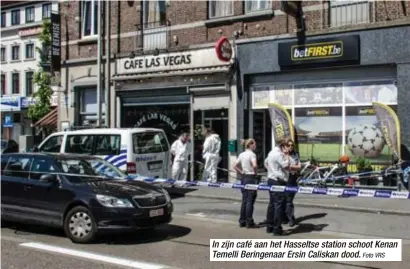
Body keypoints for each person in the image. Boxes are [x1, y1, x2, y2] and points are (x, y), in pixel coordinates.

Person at [264, 138, 295, 236]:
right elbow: (286, 166)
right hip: (278, 181)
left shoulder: (271, 152)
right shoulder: (279, 154)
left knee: (272, 204)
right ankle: (277, 228)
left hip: (271, 179)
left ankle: (269, 226)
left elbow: (266, 163)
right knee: (279, 205)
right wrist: (287, 156)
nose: (288, 148)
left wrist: (272, 170)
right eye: (286, 146)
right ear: (283, 146)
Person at [233, 138, 259, 228]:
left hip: (244, 178)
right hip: (251, 177)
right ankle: (249, 221)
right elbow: (254, 165)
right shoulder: (252, 155)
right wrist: (255, 172)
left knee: (244, 200)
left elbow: (234, 166)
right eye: (254, 144)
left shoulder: (242, 154)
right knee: (250, 201)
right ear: (250, 145)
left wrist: (241, 172)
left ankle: (242, 220)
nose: (255, 145)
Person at [282, 139, 301, 227]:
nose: (290, 147)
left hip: (293, 178)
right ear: (285, 146)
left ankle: (288, 217)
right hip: (284, 178)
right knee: (287, 200)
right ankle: (290, 218)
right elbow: (284, 167)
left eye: (292, 145)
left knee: (289, 199)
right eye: (288, 145)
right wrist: (292, 167)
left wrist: (291, 167)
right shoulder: (282, 155)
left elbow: (299, 166)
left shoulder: (295, 154)